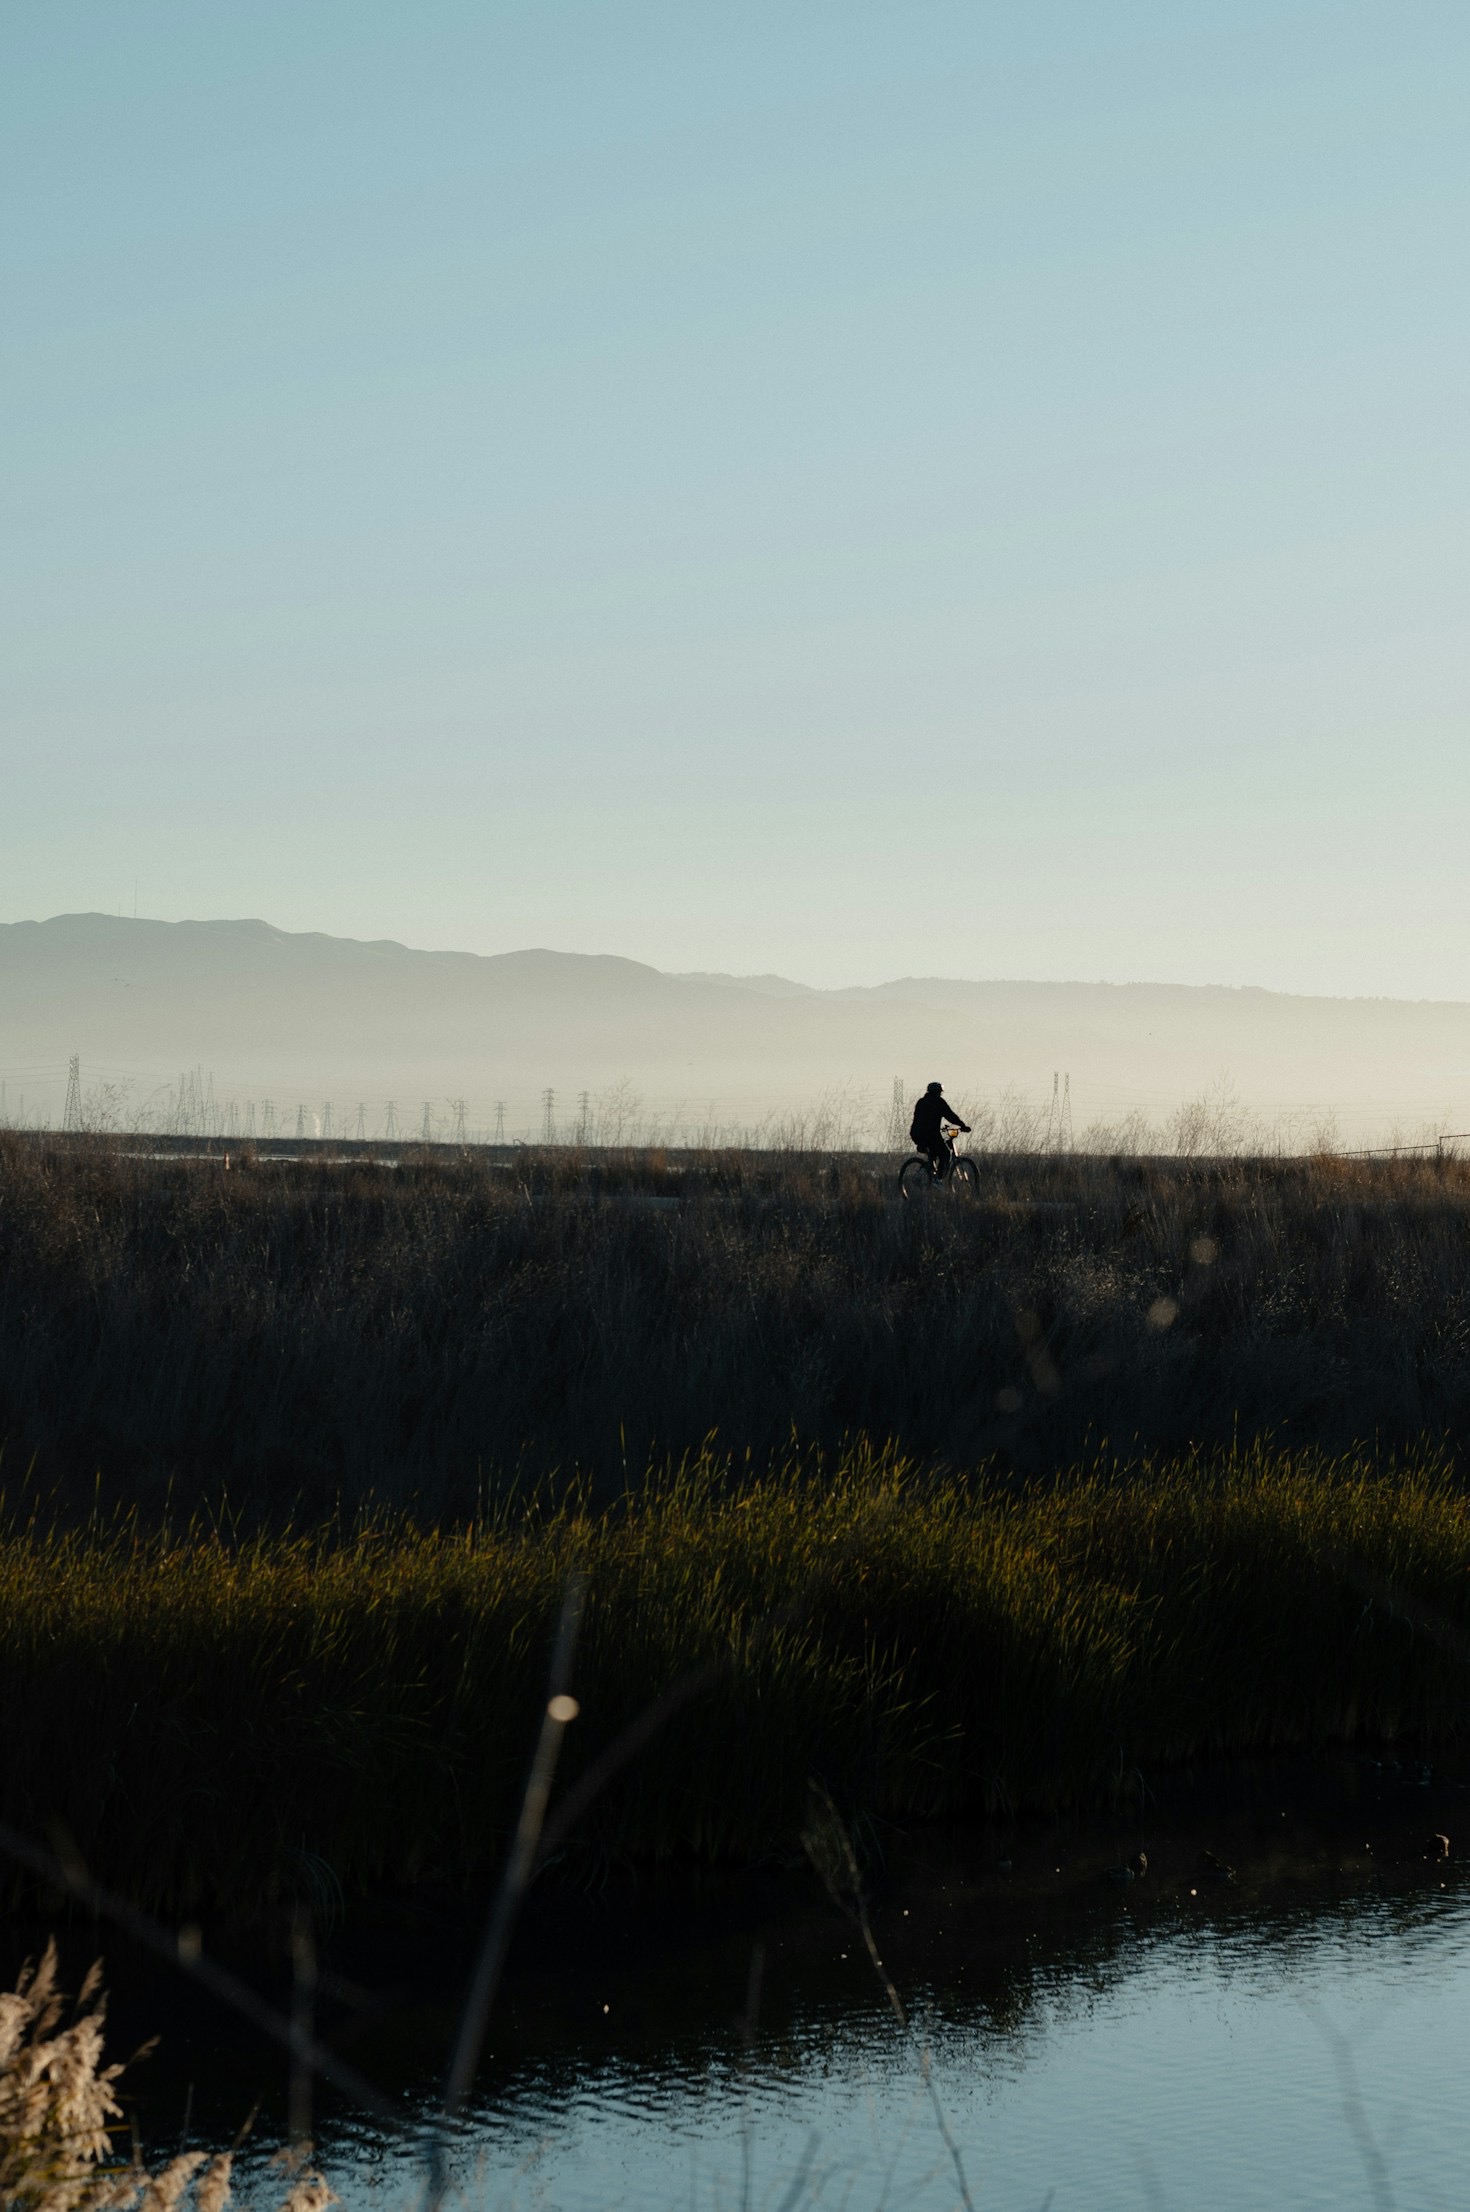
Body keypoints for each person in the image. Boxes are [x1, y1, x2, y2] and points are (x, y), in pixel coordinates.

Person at [909, 1082, 970, 1180]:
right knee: (945, 1153)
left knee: (934, 1151)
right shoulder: (938, 1102)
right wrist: (962, 1126)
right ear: (938, 1092)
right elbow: (950, 1115)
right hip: (930, 1134)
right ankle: (938, 1180)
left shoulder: (921, 1101)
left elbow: (922, 1120)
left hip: (916, 1134)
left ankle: (931, 1176)